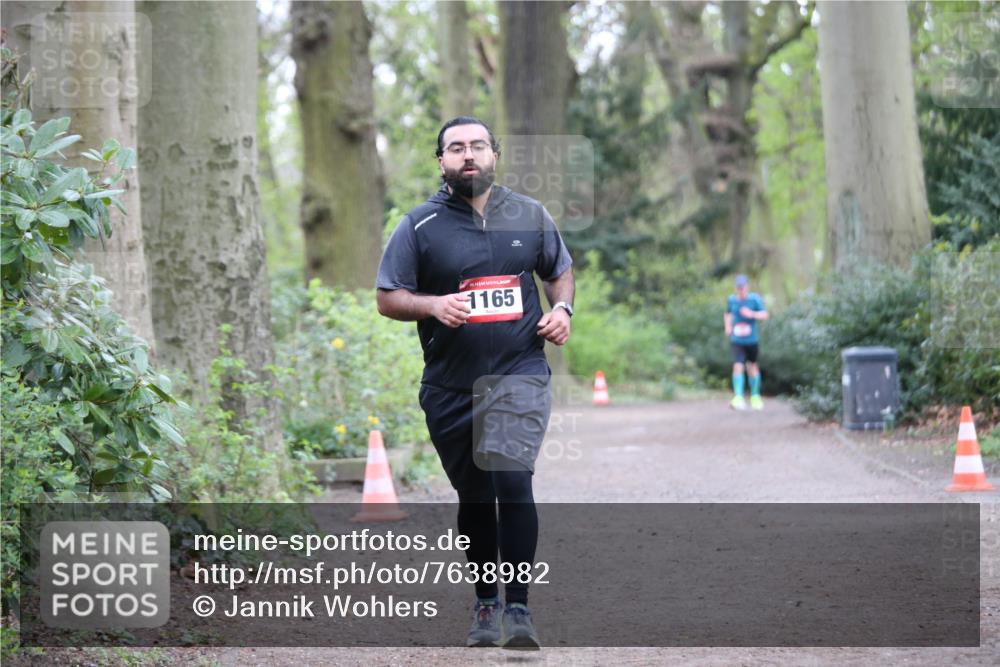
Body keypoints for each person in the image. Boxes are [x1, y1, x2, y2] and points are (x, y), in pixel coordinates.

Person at [375, 116, 574, 650]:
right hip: (449, 387)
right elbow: (387, 296)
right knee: (475, 494)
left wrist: (564, 308)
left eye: (478, 146)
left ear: (495, 155)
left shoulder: (529, 215)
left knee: (511, 480)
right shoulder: (418, 226)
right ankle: (485, 603)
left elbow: (559, 269)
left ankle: (518, 608)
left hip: (519, 374)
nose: (469, 155)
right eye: (456, 148)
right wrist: (433, 304)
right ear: (440, 161)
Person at [724, 274, 768, 410]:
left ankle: (755, 396)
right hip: (737, 340)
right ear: (736, 288)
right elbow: (727, 313)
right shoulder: (732, 300)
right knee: (737, 365)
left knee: (752, 366)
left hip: (751, 340)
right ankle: (738, 397)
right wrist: (728, 326)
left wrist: (752, 314)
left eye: (743, 287)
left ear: (747, 287)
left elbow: (765, 315)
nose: (741, 290)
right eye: (738, 287)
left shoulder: (754, 299)